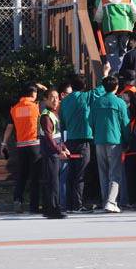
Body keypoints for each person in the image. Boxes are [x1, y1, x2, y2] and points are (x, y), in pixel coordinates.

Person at [59, 63, 110, 212]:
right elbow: (102, 88)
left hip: (70, 140)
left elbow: (62, 124)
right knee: (81, 174)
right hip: (84, 140)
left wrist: (63, 141)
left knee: (71, 173)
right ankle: (78, 204)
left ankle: (69, 204)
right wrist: (105, 72)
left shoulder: (65, 102)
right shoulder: (86, 97)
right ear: (84, 86)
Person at [88, 74, 130, 212]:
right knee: (115, 172)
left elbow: (90, 122)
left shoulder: (96, 103)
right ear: (116, 87)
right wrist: (127, 142)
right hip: (115, 141)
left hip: (99, 140)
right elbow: (125, 124)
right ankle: (111, 202)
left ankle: (105, 200)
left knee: (103, 172)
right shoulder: (120, 103)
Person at [1, 82, 41, 214]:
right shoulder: (36, 107)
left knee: (22, 176)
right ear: (33, 94)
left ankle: (17, 200)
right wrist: (43, 88)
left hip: (21, 147)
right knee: (35, 177)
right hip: (35, 145)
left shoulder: (15, 108)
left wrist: (4, 143)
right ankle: (34, 207)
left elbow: (9, 127)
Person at [93, 0, 136, 72]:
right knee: (123, 51)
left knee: (112, 52)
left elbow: (98, 16)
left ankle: (114, 74)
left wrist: (99, 23)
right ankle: (122, 71)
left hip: (110, 29)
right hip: (126, 28)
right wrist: (132, 22)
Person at [40, 87, 70, 218]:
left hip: (54, 152)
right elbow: (48, 137)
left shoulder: (53, 114)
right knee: (53, 182)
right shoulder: (46, 115)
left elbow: (56, 135)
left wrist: (63, 147)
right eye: (52, 97)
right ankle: (54, 210)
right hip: (50, 153)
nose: (55, 100)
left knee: (53, 181)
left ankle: (48, 209)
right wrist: (59, 151)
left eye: (57, 97)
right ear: (45, 99)